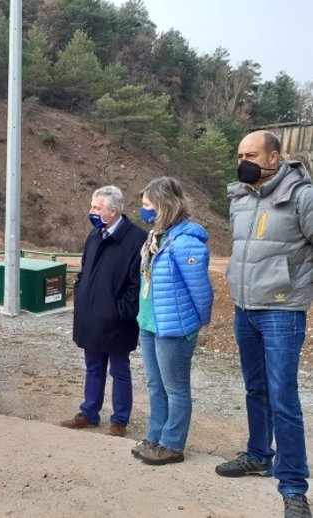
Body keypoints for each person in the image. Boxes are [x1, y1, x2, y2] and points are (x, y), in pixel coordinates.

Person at [216, 130, 313, 518]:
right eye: (240, 154)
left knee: (283, 398)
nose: (244, 160)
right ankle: (258, 454)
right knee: (255, 388)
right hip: (245, 309)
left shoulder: (302, 196)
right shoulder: (239, 198)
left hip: (282, 311)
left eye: (251, 154)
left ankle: (293, 487)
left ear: (274, 157)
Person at [133, 176, 213, 466]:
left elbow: (201, 291)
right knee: (155, 384)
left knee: (176, 389)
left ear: (164, 205)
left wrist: (195, 324)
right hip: (151, 324)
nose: (143, 210)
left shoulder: (186, 242)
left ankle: (172, 444)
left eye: (147, 205)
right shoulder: (157, 237)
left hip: (174, 329)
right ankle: (155, 437)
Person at [60, 185, 147, 437]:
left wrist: (120, 312)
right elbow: (84, 271)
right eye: (92, 206)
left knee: (120, 371)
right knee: (93, 368)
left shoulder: (136, 239)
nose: (91, 211)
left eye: (96, 208)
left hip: (118, 321)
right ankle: (89, 413)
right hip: (90, 318)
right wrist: (81, 294)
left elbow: (136, 284)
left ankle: (119, 420)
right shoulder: (95, 235)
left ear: (113, 211)